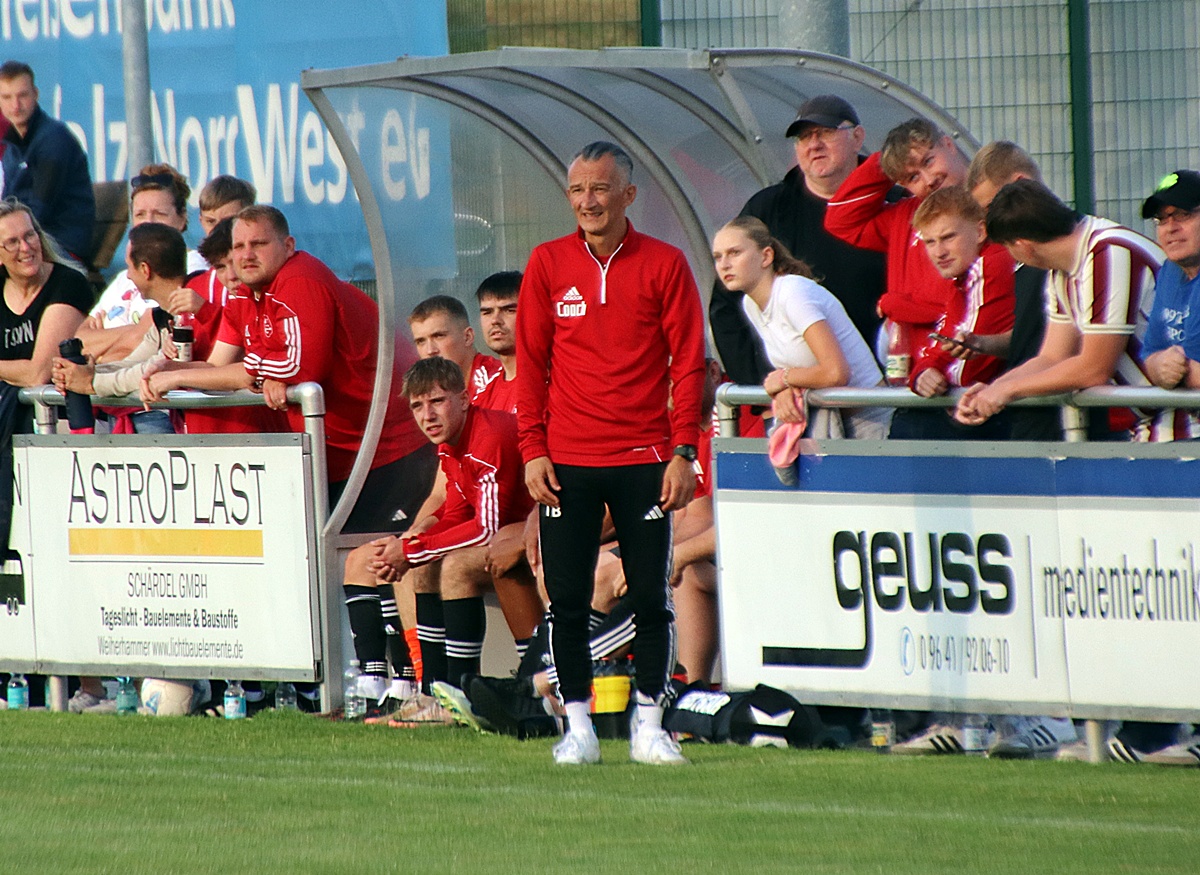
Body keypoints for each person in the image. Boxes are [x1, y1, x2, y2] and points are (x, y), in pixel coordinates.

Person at [517, 140, 705, 766]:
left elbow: (689, 364)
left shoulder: (666, 263)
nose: (587, 201)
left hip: (646, 462)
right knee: (566, 602)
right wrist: (533, 450)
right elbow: (532, 365)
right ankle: (578, 729)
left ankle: (651, 725)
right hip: (567, 464)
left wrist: (683, 452)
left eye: (600, 189)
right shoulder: (546, 263)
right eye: (577, 191)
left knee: (653, 596)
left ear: (628, 194)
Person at [141, 205, 434, 531]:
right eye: (238, 247)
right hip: (340, 457)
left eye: (259, 244)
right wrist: (170, 369)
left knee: (364, 564)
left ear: (289, 246)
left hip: (391, 449)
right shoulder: (245, 293)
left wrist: (260, 374)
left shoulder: (300, 280)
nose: (246, 256)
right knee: (325, 563)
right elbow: (219, 366)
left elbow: (302, 368)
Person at [360, 357, 533, 726]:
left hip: (535, 535)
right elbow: (456, 511)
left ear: (465, 399)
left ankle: (458, 697)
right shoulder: (449, 443)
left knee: (453, 567)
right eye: (418, 406)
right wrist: (414, 541)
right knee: (423, 566)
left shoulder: (488, 436)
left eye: (437, 401)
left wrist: (408, 550)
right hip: (508, 536)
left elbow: (486, 527)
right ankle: (431, 691)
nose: (428, 415)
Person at [953, 179, 1163, 439]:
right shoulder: (1062, 270)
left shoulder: (1109, 253)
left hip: (1185, 420)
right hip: (1153, 424)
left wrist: (1010, 390)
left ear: (1022, 245)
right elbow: (1052, 357)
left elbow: (1094, 368)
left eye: (1007, 247)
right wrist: (992, 389)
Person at [710, 95, 886, 386]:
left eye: (826, 133)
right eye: (804, 137)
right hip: (795, 395)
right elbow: (726, 306)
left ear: (857, 137)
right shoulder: (768, 210)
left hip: (882, 392)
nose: (814, 144)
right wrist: (763, 389)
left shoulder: (893, 203)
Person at [0, 198, 90, 709]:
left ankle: (83, 683)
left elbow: (37, 374)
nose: (24, 247)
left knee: (55, 556)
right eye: (11, 241)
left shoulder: (68, 284)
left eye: (29, 234)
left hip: (52, 443)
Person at [825, 117, 970, 406]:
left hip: (966, 384)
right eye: (912, 178)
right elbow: (840, 219)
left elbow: (964, 306)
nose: (929, 180)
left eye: (929, 161)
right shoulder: (906, 215)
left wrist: (896, 305)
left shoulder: (986, 212)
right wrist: (890, 160)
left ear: (948, 144)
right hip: (915, 384)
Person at [712, 216, 891, 439]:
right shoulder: (750, 304)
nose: (724, 264)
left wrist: (784, 379)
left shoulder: (793, 293)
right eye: (717, 257)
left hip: (869, 421)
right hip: (826, 422)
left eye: (734, 253)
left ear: (766, 256)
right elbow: (797, 367)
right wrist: (785, 389)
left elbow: (836, 373)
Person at [962, 141, 1060, 440]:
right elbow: (1036, 342)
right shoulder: (1021, 259)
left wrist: (1004, 388)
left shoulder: (1080, 254)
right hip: (1029, 412)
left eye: (991, 208)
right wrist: (984, 344)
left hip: (1064, 417)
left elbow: (1073, 356)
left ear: (1022, 184)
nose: (990, 226)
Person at [902, 185, 1016, 440]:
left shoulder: (989, 264)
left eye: (948, 237)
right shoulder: (961, 278)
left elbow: (969, 370)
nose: (938, 252)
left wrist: (938, 376)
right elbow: (945, 344)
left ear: (979, 231)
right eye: (929, 242)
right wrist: (923, 373)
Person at [0, 61, 94, 263]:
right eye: (7, 97)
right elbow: (8, 205)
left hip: (62, 245)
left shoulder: (54, 140)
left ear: (36, 94)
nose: (15, 106)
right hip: (30, 241)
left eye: (22, 95)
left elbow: (39, 210)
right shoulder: (11, 144)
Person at [1142, 171, 1200, 441]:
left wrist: (1180, 370)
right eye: (1161, 219)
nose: (1170, 228)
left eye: (1183, 215)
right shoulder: (1170, 271)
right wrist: (1160, 366)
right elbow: (1151, 352)